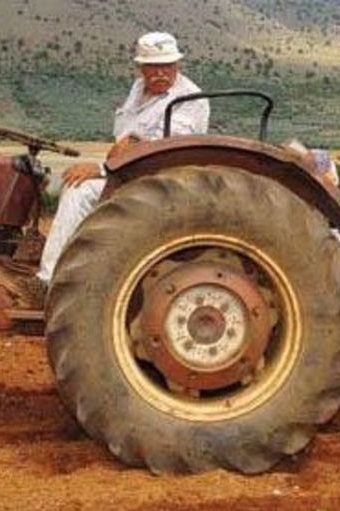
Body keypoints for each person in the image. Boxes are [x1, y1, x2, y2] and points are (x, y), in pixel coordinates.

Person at [25, 32, 209, 306]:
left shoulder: (189, 100)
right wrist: (122, 151)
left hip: (160, 178)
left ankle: (48, 280)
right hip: (129, 172)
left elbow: (157, 150)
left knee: (80, 190)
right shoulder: (138, 89)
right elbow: (124, 142)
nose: (160, 73)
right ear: (141, 68)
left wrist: (102, 168)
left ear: (177, 65)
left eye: (167, 66)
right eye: (153, 66)